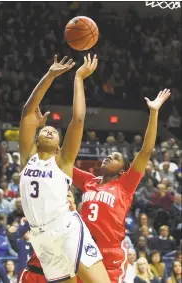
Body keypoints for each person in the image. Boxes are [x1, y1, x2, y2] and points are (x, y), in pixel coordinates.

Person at [19, 53, 111, 283]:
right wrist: (49, 75)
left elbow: (78, 119)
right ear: (36, 139)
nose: (50, 130)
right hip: (41, 237)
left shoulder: (62, 162)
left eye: (54, 132)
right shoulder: (27, 158)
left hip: (66, 228)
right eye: (45, 130)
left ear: (60, 146)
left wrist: (78, 79)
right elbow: (28, 111)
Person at [73, 89, 171, 283]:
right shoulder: (88, 181)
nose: (109, 156)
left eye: (116, 157)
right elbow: (64, 162)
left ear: (122, 171)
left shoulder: (125, 184)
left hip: (110, 253)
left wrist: (154, 112)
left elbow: (146, 150)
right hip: (83, 249)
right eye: (109, 155)